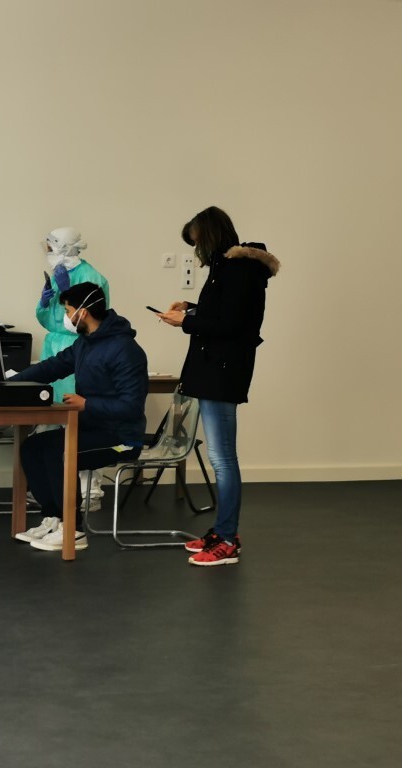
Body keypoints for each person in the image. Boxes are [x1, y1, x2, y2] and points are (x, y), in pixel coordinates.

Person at [156, 206, 279, 567]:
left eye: (197, 241)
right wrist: (191, 309)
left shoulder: (239, 269)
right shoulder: (230, 269)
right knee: (220, 458)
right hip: (216, 370)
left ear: (210, 236)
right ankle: (222, 532)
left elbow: (231, 325)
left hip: (223, 372)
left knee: (223, 460)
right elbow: (225, 314)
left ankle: (227, 540)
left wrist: (185, 321)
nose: (197, 250)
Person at [11, 282, 148, 552]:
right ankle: (54, 518)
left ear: (82, 312)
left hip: (122, 438)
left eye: (67, 310)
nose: (66, 317)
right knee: (32, 447)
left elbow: (132, 407)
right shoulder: (85, 343)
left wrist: (88, 404)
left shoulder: (126, 349)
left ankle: (72, 530)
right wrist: (9, 383)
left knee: (59, 452)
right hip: (90, 429)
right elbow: (52, 367)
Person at [35, 227, 111, 511]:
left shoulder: (92, 278)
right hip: (54, 350)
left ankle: (89, 492)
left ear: (66, 248)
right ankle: (51, 489)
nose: (48, 252)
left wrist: (66, 292)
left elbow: (82, 323)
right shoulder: (58, 276)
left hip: (78, 352)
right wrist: (45, 302)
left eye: (52, 247)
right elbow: (49, 320)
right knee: (49, 421)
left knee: (78, 424)